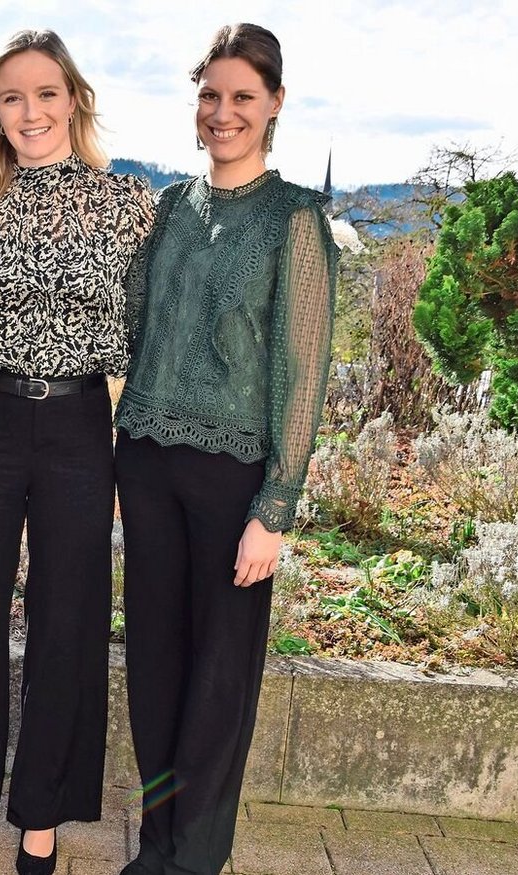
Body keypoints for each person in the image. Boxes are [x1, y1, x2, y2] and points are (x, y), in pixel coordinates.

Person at [0, 30, 154, 875]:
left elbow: (149, 333)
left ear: (73, 100)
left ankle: (43, 811)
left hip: (81, 422)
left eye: (46, 93)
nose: (30, 111)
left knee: (69, 614)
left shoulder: (127, 204)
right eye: (12, 97)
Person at [113, 23, 338, 875]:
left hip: (233, 477)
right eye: (210, 94)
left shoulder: (295, 220)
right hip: (145, 460)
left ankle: (194, 856)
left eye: (243, 96)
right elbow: (136, 329)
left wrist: (274, 508)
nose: (223, 111)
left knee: (218, 677)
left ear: (275, 103)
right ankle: (157, 843)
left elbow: (303, 371)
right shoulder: (172, 207)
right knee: (154, 664)